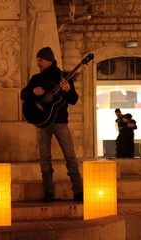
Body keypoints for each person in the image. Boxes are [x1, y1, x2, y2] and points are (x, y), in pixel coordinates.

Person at [20, 47, 83, 203]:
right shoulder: (36, 78)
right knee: (44, 158)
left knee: (70, 157)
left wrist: (68, 90)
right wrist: (34, 93)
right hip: (41, 122)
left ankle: (79, 191)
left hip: (60, 122)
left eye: (40, 60)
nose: (37, 63)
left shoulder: (64, 77)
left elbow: (74, 99)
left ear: (48, 60)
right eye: (37, 60)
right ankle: (48, 192)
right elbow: (23, 94)